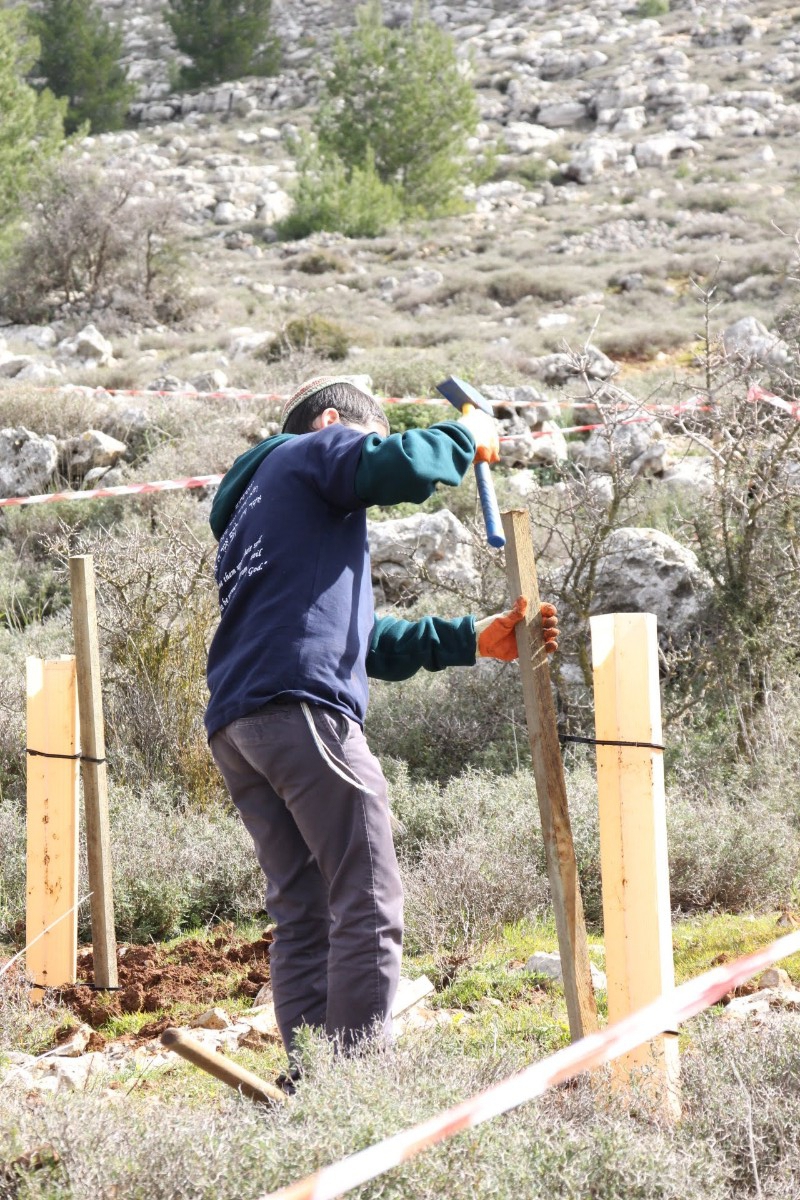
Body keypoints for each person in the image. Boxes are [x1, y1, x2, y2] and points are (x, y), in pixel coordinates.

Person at [204, 376, 558, 1073]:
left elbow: (360, 640)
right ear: (331, 423)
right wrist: (468, 438)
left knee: (305, 911)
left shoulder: (260, 508)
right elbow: (392, 467)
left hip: (242, 727)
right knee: (367, 895)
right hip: (305, 711)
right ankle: (361, 1084)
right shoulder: (307, 454)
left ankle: (315, 1084)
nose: (364, 455)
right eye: (366, 439)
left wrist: (471, 638)